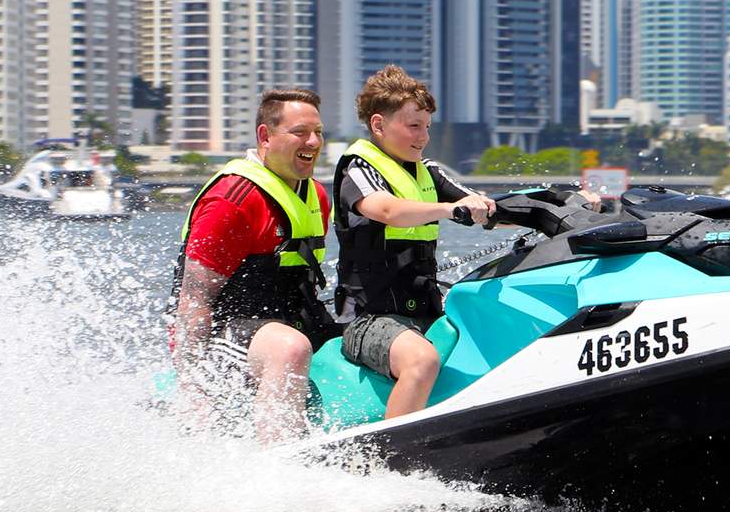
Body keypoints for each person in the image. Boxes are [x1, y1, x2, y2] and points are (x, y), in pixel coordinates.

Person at [170, 88, 337, 440]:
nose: (313, 141)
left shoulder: (317, 196)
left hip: (288, 318)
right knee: (290, 349)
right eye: (299, 132)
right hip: (224, 332)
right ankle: (279, 463)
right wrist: (192, 384)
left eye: (319, 132)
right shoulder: (233, 201)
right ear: (265, 136)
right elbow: (194, 299)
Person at [333, 65, 497, 420]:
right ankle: (390, 464)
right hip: (368, 321)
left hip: (425, 313)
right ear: (379, 125)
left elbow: (482, 206)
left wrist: (569, 204)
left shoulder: (429, 170)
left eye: (426, 127)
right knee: (422, 360)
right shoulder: (358, 169)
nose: (423, 137)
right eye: (413, 126)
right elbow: (386, 209)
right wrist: (450, 210)